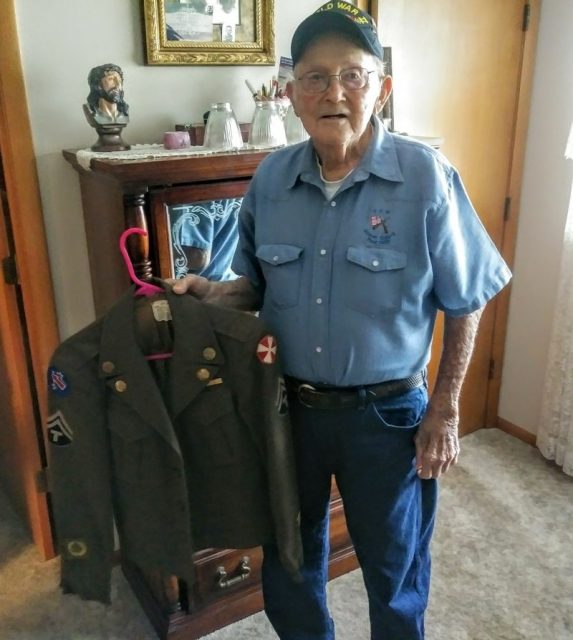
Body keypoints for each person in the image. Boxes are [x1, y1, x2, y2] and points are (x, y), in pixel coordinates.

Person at [171, 3, 511, 638]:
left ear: (380, 87)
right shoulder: (270, 179)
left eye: (352, 75)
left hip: (386, 417)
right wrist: (205, 294)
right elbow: (254, 289)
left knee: (394, 567)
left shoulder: (425, 177)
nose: (334, 92)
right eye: (315, 77)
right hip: (286, 411)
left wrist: (446, 409)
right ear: (292, 94)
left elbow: (467, 298)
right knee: (291, 558)